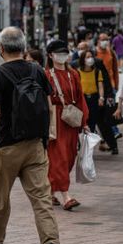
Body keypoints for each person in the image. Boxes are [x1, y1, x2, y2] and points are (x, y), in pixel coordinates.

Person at [0, 27, 61, 244]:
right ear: (24, 48)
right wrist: (48, 134)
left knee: (0, 198)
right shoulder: (37, 70)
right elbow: (47, 103)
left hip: (7, 146)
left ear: (1, 48)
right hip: (35, 144)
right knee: (41, 198)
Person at [44, 40, 89, 210]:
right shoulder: (47, 75)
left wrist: (84, 122)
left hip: (71, 118)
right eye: (58, 53)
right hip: (55, 119)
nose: (62, 56)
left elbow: (80, 98)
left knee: (70, 155)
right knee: (59, 157)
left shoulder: (74, 74)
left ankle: (51, 191)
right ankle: (66, 195)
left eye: (65, 52)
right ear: (50, 55)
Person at [77, 48, 108, 152]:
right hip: (82, 99)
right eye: (87, 57)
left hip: (94, 99)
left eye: (91, 57)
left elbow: (100, 86)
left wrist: (101, 98)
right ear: (82, 59)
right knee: (82, 122)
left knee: (92, 123)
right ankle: (81, 145)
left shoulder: (97, 72)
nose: (90, 59)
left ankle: (88, 147)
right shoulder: (77, 72)